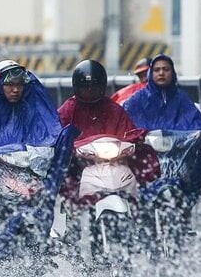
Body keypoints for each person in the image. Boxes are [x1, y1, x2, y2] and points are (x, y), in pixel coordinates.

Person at [0, 60, 78, 258]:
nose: (15, 90)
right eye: (10, 85)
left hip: (28, 182)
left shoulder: (33, 110)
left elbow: (49, 141)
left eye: (19, 85)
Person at [58, 59, 159, 204]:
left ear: (102, 86)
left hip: (114, 161)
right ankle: (72, 207)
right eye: (85, 87)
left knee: (144, 162)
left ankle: (141, 205)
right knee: (64, 175)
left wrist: (137, 138)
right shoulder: (69, 109)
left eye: (95, 87)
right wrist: (69, 146)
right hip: (81, 163)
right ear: (76, 87)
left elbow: (129, 131)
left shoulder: (113, 108)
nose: (90, 91)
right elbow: (56, 132)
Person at [124, 53, 201, 199]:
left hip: (178, 156)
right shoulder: (138, 99)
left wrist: (200, 133)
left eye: (166, 69)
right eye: (157, 70)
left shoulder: (182, 98)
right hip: (147, 155)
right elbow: (126, 120)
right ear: (152, 73)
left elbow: (196, 121)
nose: (161, 73)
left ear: (173, 72)